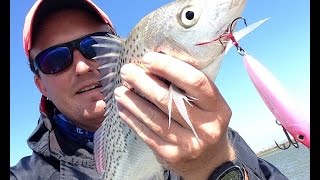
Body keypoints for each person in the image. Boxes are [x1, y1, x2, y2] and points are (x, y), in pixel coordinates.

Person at [10, 0, 288, 179]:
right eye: (54, 60)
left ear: (119, 50)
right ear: (40, 85)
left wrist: (216, 167)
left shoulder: (215, 138)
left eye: (93, 46)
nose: (82, 67)